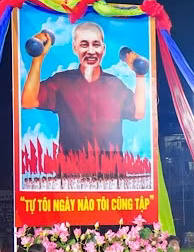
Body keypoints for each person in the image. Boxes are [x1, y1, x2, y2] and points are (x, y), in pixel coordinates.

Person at [21, 21, 146, 154]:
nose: (91, 51)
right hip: (71, 166)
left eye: (96, 45)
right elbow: (28, 101)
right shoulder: (62, 81)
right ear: (75, 48)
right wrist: (38, 57)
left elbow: (138, 113)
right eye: (84, 45)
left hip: (111, 166)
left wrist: (140, 74)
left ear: (103, 49)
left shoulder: (115, 85)